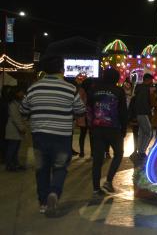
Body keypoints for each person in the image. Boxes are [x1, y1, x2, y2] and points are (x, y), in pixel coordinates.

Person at [20, 56, 86, 216]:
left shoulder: (34, 88)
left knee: (42, 169)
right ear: (62, 70)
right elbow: (80, 110)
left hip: (39, 137)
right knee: (60, 167)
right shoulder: (70, 89)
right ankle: (54, 193)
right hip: (62, 137)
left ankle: (43, 203)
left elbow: (23, 110)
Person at [87, 68, 128, 195]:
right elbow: (123, 112)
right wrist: (124, 129)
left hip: (97, 128)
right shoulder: (119, 91)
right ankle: (108, 181)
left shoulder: (93, 90)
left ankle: (95, 188)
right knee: (118, 153)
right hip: (114, 128)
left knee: (97, 159)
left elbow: (89, 109)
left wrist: (91, 126)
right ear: (116, 78)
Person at [131, 73, 154, 160]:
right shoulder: (146, 89)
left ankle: (140, 150)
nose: (152, 82)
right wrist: (148, 110)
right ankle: (142, 151)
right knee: (149, 133)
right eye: (151, 80)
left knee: (141, 133)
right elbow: (145, 102)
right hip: (143, 112)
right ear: (148, 80)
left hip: (138, 113)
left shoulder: (138, 88)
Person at [5, 86, 27, 171]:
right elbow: (15, 117)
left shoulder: (18, 102)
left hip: (17, 129)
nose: (22, 94)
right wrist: (21, 128)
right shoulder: (12, 104)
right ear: (16, 93)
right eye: (21, 92)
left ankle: (15, 164)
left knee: (16, 148)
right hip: (13, 129)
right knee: (12, 148)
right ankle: (10, 164)